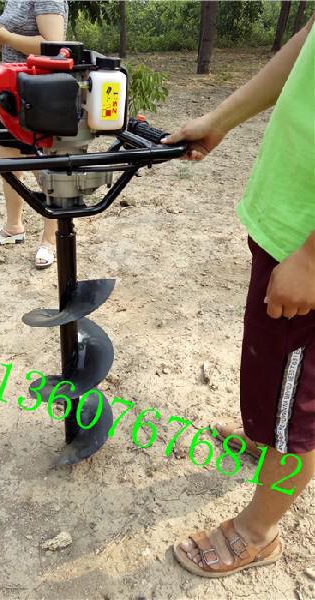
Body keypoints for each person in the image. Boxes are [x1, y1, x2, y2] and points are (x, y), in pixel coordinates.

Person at [163, 14, 315, 577]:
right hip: (288, 223)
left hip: (308, 247)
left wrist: (312, 259)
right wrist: (219, 119)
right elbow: (308, 42)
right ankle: (271, 442)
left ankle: (258, 533)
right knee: (275, 375)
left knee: (298, 407)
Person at [0, 1, 68, 269]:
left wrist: (5, 37)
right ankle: (13, 226)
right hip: (11, 89)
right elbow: (14, 41)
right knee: (9, 160)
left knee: (45, 167)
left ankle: (51, 239)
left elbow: (54, 46)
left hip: (39, 91)